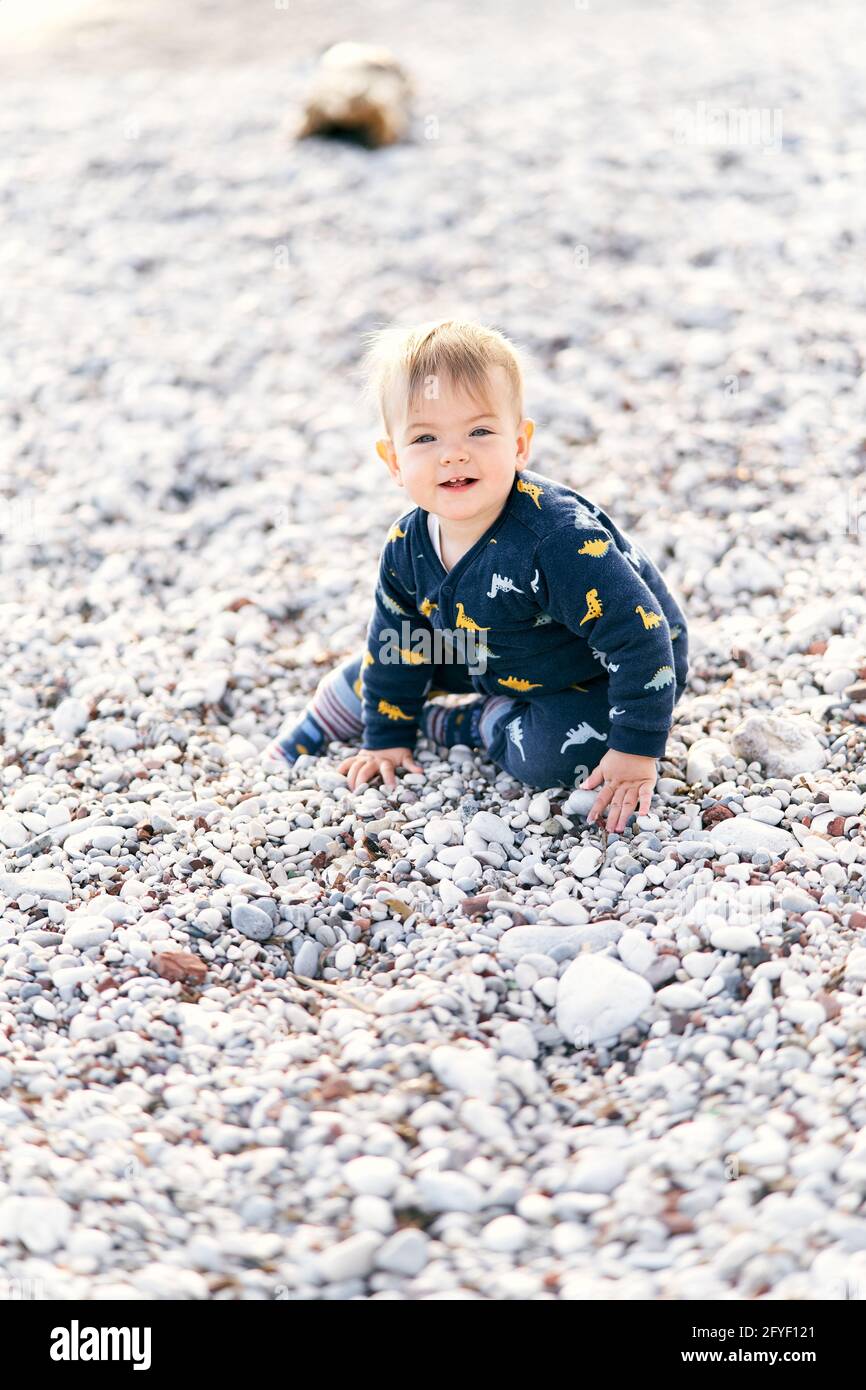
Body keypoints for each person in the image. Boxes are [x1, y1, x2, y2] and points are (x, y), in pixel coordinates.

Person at [264, 318, 689, 832]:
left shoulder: (556, 541)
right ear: (393, 461)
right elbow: (400, 639)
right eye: (425, 437)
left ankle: (468, 721)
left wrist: (637, 752)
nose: (453, 452)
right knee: (388, 661)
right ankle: (324, 719)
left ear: (520, 443)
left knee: (559, 762)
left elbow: (640, 639)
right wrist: (386, 740)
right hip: (488, 648)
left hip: (594, 668)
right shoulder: (406, 546)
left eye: (480, 431)